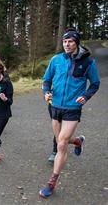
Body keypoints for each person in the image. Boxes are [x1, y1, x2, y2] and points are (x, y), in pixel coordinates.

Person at [39, 28, 100, 198]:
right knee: (61, 140)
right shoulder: (56, 60)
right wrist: (46, 92)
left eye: (70, 41)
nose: (67, 44)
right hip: (55, 106)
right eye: (65, 41)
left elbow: (95, 84)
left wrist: (85, 96)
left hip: (73, 108)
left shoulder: (88, 62)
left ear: (76, 43)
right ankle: (78, 141)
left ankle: (52, 182)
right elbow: (46, 80)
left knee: (61, 144)